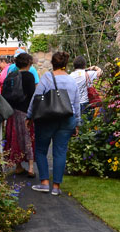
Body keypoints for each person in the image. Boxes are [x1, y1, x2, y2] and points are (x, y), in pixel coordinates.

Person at [26, 51, 80, 196]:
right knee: (60, 152)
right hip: (67, 119)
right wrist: (77, 123)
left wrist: (30, 116)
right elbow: (76, 104)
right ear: (65, 64)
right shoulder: (71, 81)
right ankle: (56, 186)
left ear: (53, 63)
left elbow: (36, 98)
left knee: (41, 150)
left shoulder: (47, 78)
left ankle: (44, 183)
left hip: (46, 119)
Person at [4, 52, 37, 177]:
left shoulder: (12, 75)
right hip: (25, 111)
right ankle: (31, 167)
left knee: (15, 138)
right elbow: (32, 96)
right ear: (28, 63)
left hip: (13, 111)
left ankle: (18, 166)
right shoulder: (29, 76)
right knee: (28, 137)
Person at [69, 56, 91, 120]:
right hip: (86, 102)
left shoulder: (70, 76)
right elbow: (100, 72)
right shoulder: (88, 73)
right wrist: (94, 67)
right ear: (84, 65)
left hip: (74, 103)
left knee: (77, 124)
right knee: (88, 123)